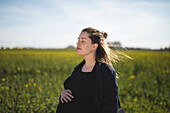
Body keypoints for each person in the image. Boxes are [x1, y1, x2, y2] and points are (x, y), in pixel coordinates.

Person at [56, 27, 130, 113]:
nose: (77, 44)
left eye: (83, 41)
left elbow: (110, 105)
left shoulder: (106, 71)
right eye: (78, 40)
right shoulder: (78, 69)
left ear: (94, 46)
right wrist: (63, 94)